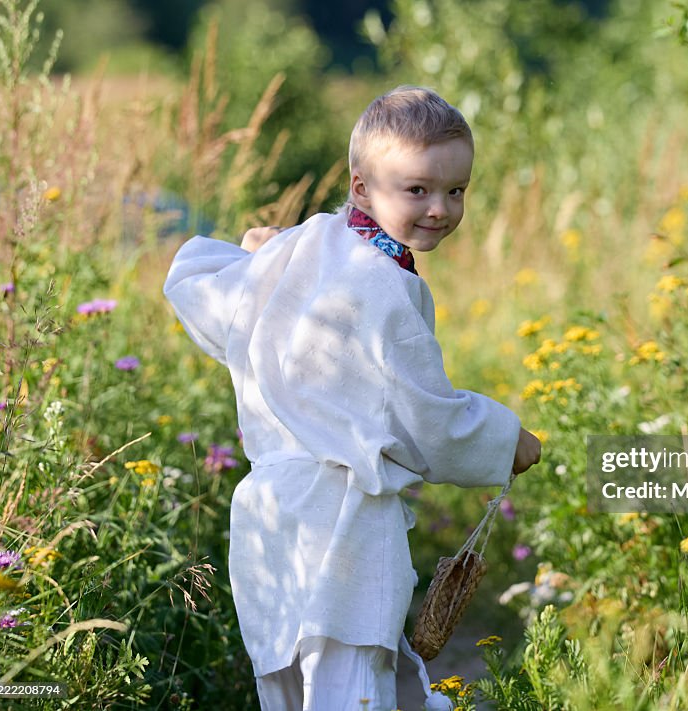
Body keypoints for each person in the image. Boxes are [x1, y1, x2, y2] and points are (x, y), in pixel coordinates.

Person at [163, 85, 542, 711]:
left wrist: (257, 258)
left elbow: (199, 289)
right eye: (417, 189)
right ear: (361, 187)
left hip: (270, 517)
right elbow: (422, 416)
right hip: (343, 519)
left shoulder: (308, 246)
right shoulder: (381, 283)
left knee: (296, 688)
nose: (440, 208)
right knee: (351, 688)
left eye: (456, 190)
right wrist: (506, 440)